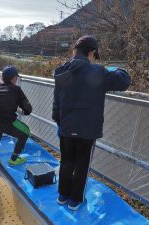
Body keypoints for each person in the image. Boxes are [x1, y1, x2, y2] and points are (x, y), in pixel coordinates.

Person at [52, 35, 131, 211]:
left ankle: (62, 197)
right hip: (87, 131)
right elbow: (124, 81)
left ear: (75, 51)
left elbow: (56, 102)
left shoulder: (61, 71)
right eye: (95, 56)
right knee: (81, 165)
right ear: (92, 53)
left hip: (66, 128)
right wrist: (116, 68)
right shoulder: (98, 72)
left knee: (66, 162)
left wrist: (59, 122)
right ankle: (75, 201)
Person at [0, 66, 32, 166]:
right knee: (25, 132)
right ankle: (14, 159)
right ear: (15, 78)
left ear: (2, 77)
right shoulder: (16, 89)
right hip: (6, 121)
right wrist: (23, 111)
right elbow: (28, 109)